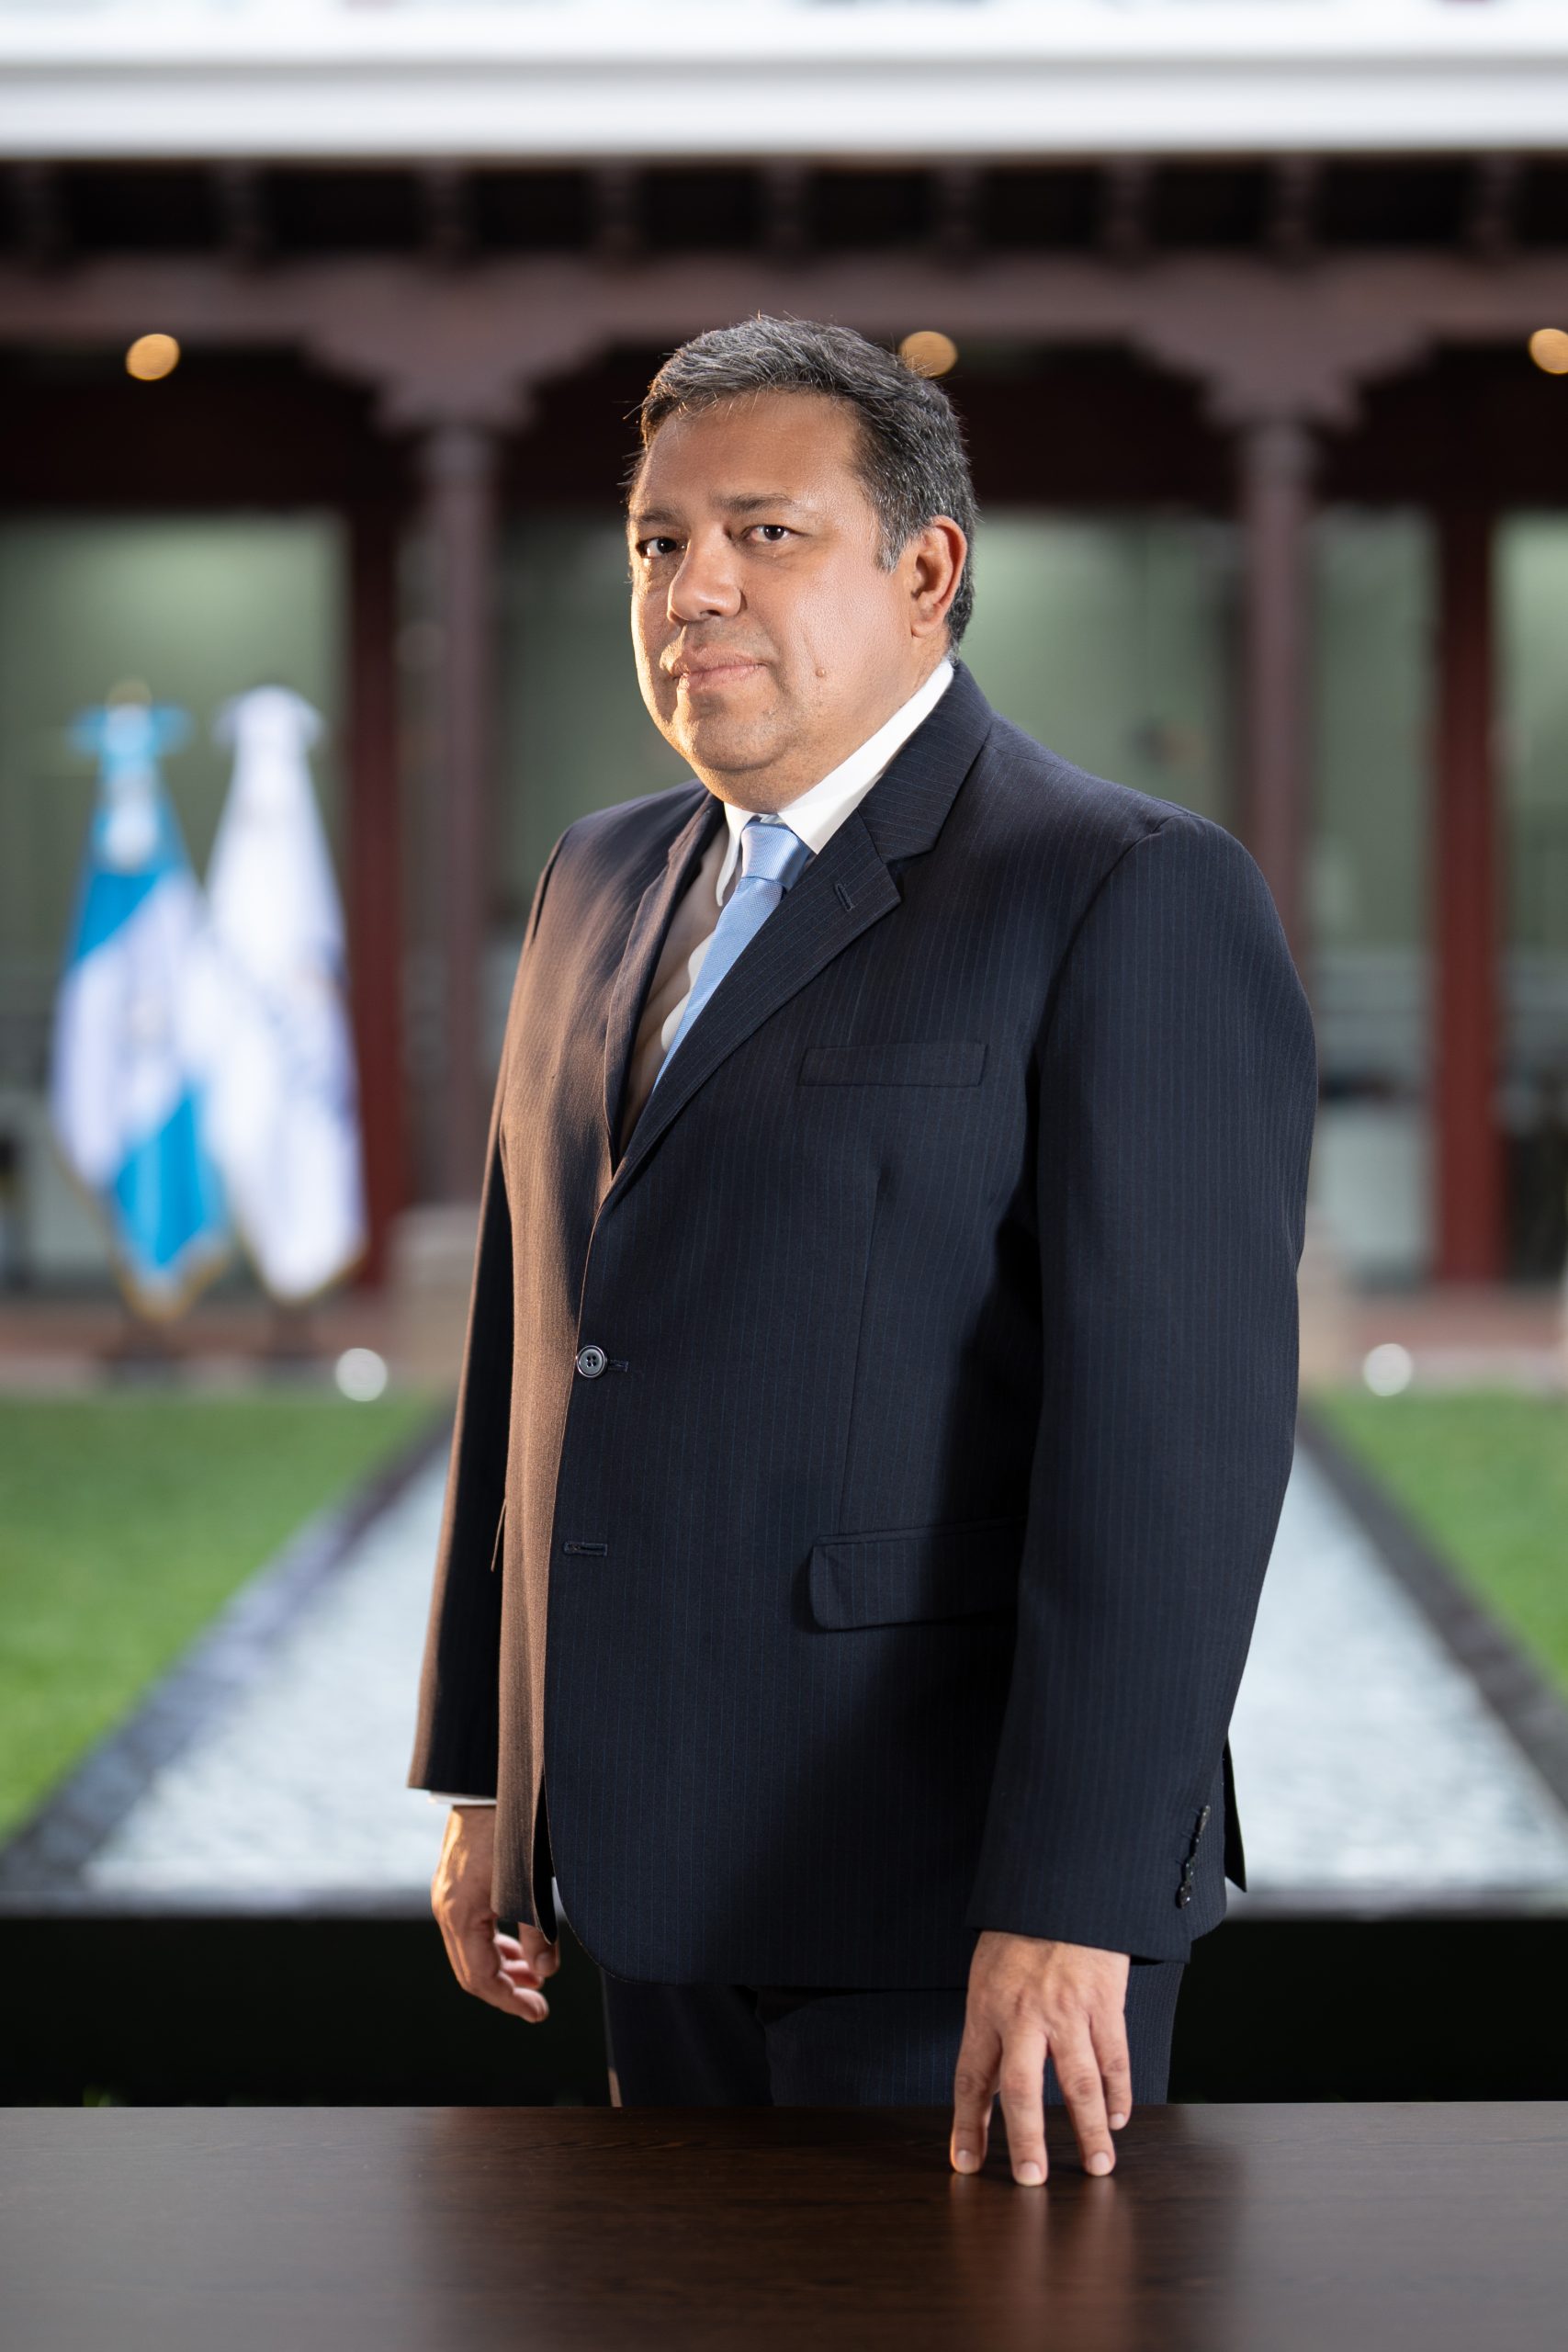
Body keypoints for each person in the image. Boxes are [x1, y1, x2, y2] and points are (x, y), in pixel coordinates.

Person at [409, 317, 1316, 2185]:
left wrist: (1071, 1895)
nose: (694, 589)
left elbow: (1172, 1458)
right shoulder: (595, 880)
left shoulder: (1121, 889)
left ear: (923, 571)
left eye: (765, 532)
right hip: (644, 1878)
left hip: (957, 1909)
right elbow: (529, 1348)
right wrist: (494, 1768)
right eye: (660, 542)